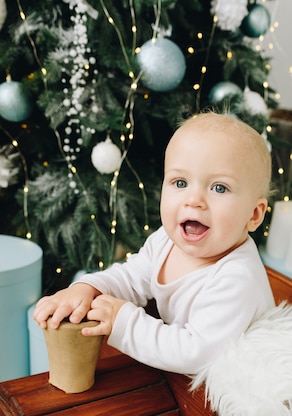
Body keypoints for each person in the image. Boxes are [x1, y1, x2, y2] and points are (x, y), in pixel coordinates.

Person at [34, 112, 275, 375]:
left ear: (253, 215)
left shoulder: (236, 277)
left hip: (239, 385)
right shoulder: (165, 241)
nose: (193, 199)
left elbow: (196, 353)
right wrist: (88, 287)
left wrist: (124, 322)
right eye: (180, 182)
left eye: (219, 188)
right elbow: (131, 277)